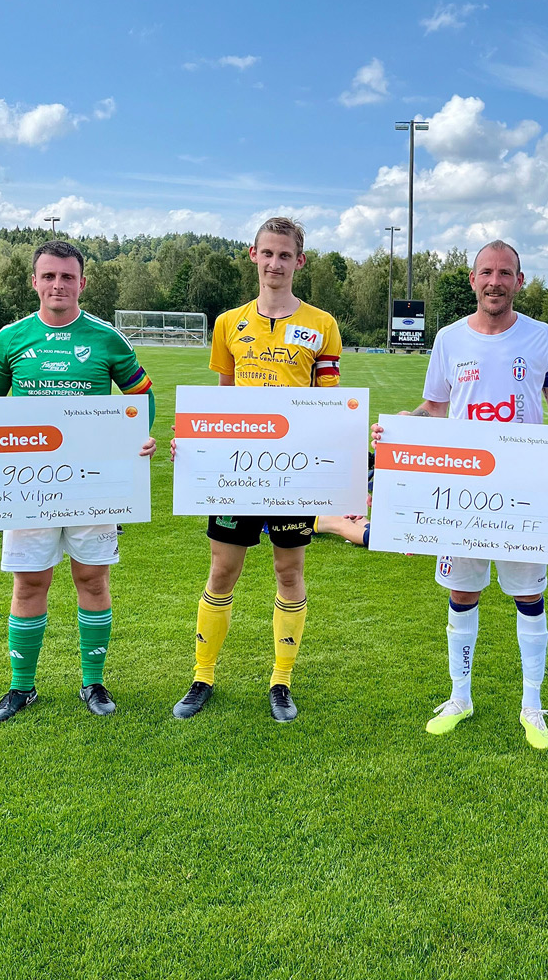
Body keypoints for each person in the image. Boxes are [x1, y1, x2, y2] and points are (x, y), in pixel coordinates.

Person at [0, 240, 156, 723]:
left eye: (67, 277)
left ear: (82, 283)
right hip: (26, 485)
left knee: (92, 578)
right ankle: (21, 688)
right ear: (34, 281)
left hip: (91, 484)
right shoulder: (10, 339)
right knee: (30, 582)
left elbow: (141, 394)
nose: (58, 285)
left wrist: (141, 438)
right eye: (48, 276)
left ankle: (92, 683)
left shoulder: (107, 338)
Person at [372, 240, 548, 750]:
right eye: (486, 272)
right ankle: (459, 697)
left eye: (505, 273)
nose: (495, 281)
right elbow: (433, 408)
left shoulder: (540, 336)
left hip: (522, 488)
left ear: (519, 280)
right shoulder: (448, 338)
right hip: (462, 490)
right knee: (463, 594)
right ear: (471, 279)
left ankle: (532, 705)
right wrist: (398, 431)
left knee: (529, 596)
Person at [172, 217, 341, 724]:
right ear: (253, 255)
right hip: (237, 471)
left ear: (299, 261)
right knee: (222, 570)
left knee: (289, 572)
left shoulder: (322, 324)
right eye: (267, 253)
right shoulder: (229, 323)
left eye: (285, 255)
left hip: (292, 472)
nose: (275, 263)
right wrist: (198, 441)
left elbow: (328, 405)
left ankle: (281, 681)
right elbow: (222, 400)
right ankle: (203, 675)